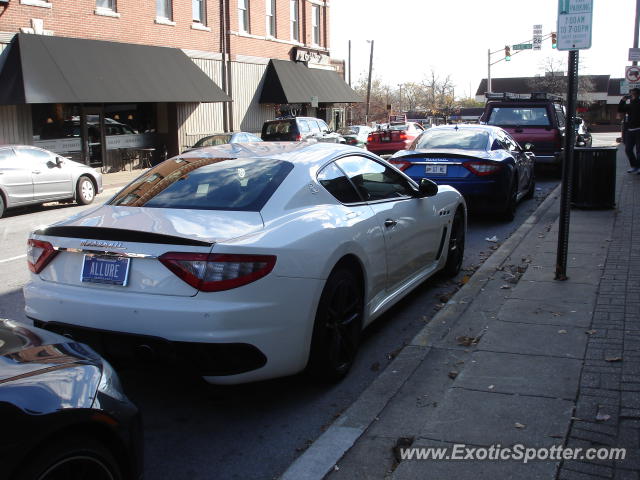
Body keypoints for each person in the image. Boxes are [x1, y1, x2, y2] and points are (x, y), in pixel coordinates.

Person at [619, 88, 640, 173]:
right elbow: (620, 109)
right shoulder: (629, 105)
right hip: (630, 130)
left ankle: (638, 167)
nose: (631, 96)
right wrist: (623, 100)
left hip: (639, 129)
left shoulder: (637, 103)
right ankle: (634, 165)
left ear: (636, 95)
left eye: (632, 94)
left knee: (639, 150)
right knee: (628, 149)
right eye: (631, 94)